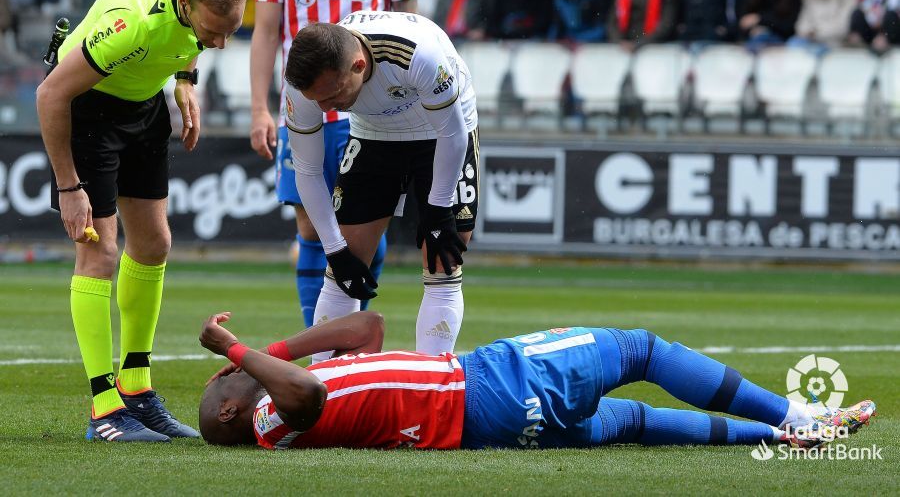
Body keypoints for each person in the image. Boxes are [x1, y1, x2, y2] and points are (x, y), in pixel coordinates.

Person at [35, 0, 247, 442]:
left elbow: (196, 35)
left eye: (229, 31)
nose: (217, 43)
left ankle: (136, 389)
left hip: (142, 102)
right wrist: (69, 187)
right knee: (99, 253)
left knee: (153, 245)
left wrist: (185, 79)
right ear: (184, 1)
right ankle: (104, 409)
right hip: (87, 111)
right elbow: (50, 94)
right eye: (210, 31)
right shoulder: (130, 25)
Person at [197, 310, 877, 451]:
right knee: (640, 349)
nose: (243, 375)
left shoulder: (283, 391)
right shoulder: (270, 422)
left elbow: (366, 328)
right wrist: (238, 347)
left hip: (491, 424)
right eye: (230, 381)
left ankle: (772, 436)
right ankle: (795, 413)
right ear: (233, 413)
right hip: (483, 387)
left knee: (633, 423)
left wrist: (269, 349)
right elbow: (307, 394)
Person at [251, 0, 419, 330]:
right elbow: (265, 31)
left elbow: (410, 24)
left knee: (367, 220)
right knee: (309, 222)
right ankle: (319, 336)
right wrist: (259, 108)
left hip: (369, 108)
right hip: (304, 106)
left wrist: (408, 100)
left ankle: (350, 333)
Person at [281, 11, 478, 359]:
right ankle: (324, 389)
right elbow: (308, 171)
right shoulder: (302, 88)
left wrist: (437, 208)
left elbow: (453, 132)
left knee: (443, 257)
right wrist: (334, 250)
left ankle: (431, 385)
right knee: (344, 268)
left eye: (333, 94)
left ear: (358, 65)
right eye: (318, 101)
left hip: (442, 130)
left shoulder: (418, 54)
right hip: (374, 133)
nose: (327, 108)